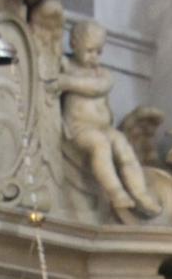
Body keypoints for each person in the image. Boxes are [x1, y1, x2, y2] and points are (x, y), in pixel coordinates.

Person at [59, 21, 162, 217]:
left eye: (99, 52)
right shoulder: (66, 65)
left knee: (124, 147)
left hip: (104, 128)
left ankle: (140, 193)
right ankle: (116, 192)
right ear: (73, 44)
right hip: (79, 129)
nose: (94, 57)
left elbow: (98, 87)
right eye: (89, 51)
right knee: (101, 146)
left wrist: (66, 82)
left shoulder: (102, 74)